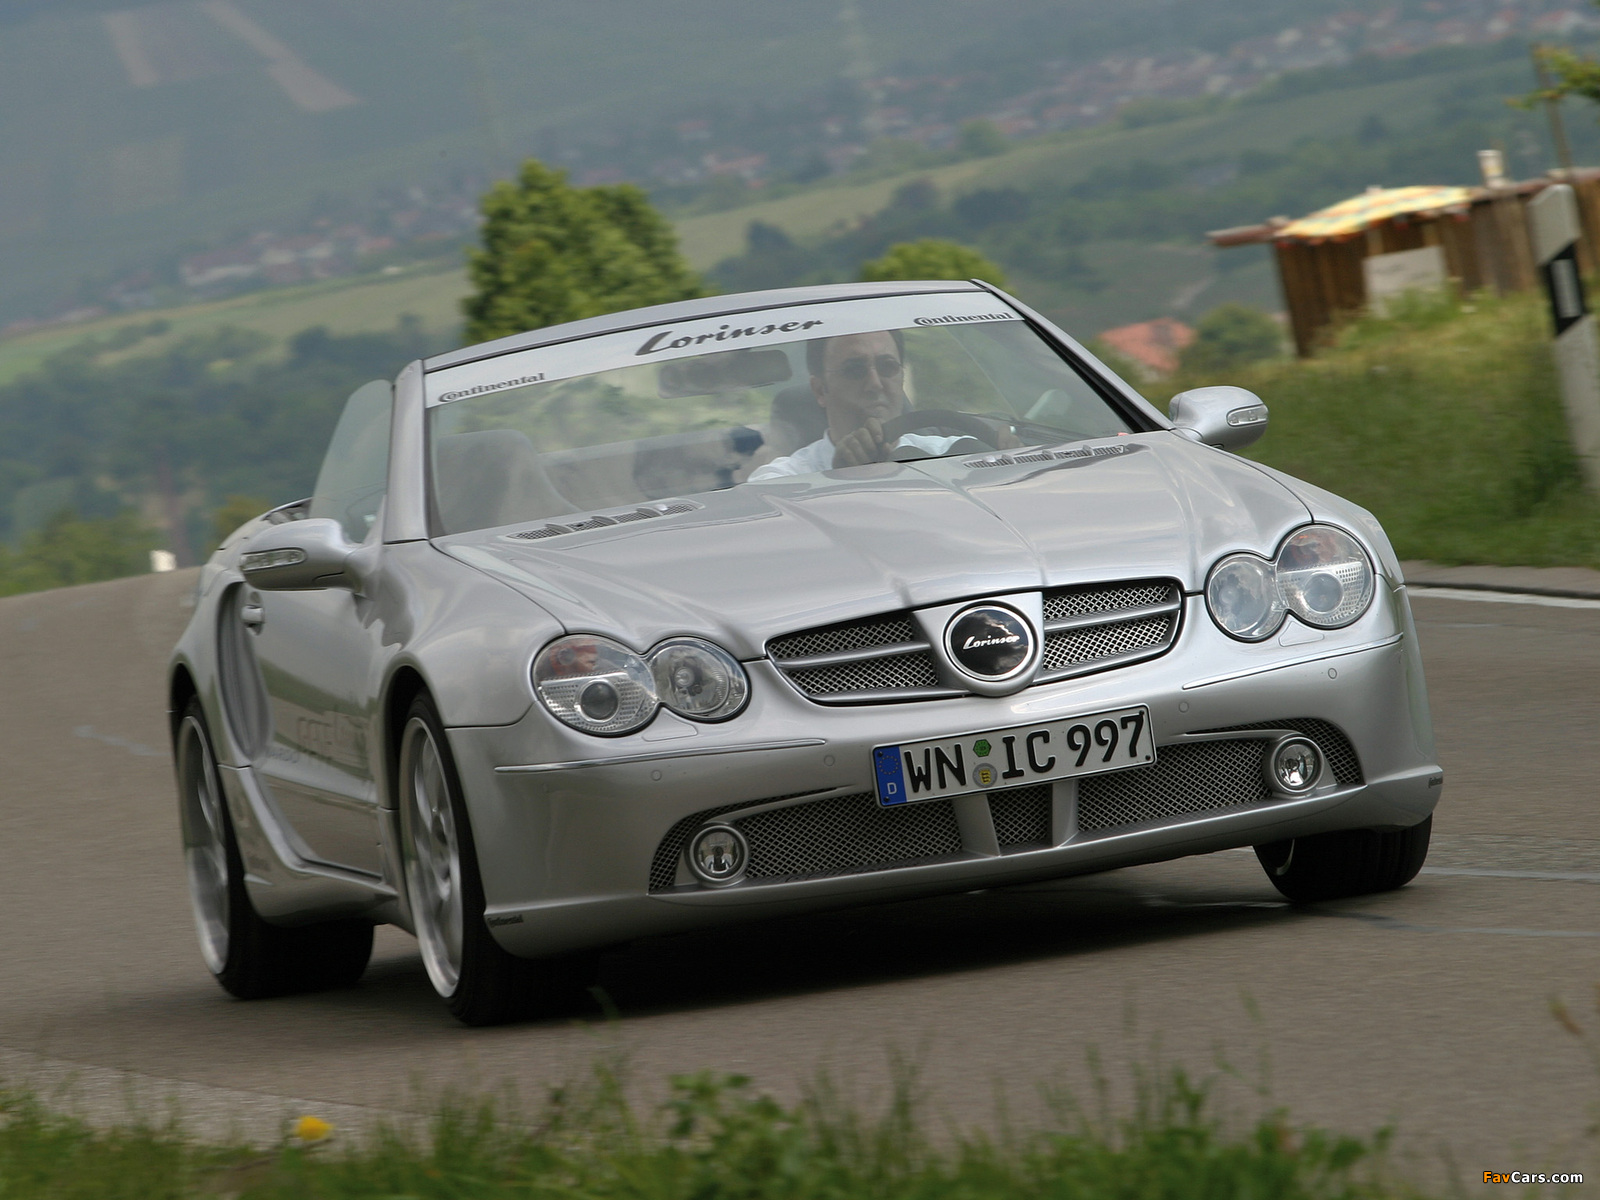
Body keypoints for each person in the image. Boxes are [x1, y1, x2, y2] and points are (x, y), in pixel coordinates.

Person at [749, 329, 970, 480]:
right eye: (854, 370)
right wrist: (840, 481)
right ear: (820, 390)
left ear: (901, 378)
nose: (875, 384)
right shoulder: (783, 480)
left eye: (888, 367)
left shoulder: (955, 455)